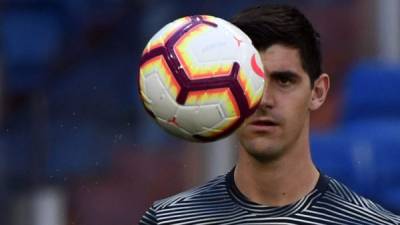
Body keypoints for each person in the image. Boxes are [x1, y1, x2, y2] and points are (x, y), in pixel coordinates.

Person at [139, 4, 400, 225]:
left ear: (318, 92)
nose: (264, 101)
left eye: (284, 81)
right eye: (250, 82)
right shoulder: (168, 219)